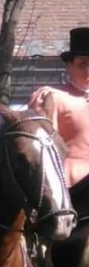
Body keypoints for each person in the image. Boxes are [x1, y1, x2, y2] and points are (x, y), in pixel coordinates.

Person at [28, 26, 89, 188]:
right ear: (69, 66)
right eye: (82, 64)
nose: (88, 70)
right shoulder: (53, 97)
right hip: (73, 182)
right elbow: (42, 146)